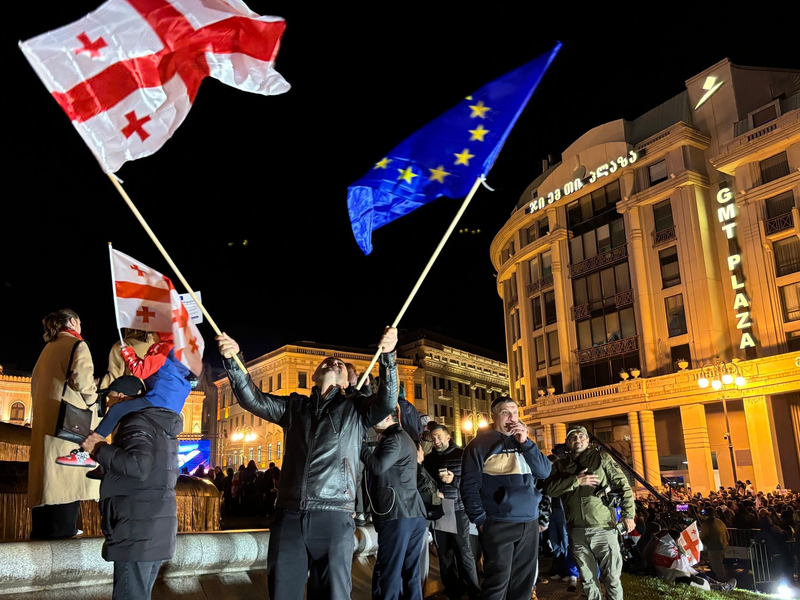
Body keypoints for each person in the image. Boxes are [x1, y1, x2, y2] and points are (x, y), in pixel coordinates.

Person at [216, 327, 398, 600]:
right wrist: (234, 360)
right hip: (289, 515)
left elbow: (386, 401)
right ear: (313, 376)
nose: (333, 362)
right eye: (326, 362)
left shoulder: (355, 409)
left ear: (347, 383)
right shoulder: (294, 407)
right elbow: (251, 398)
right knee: (282, 592)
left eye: (338, 364)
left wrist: (388, 357)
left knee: (334, 594)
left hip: (334, 514)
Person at [83, 388, 183, 600]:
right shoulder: (158, 425)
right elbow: (152, 472)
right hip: (154, 528)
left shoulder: (135, 422)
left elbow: (138, 467)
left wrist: (99, 449)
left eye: (109, 398)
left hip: (137, 529)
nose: (107, 405)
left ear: (121, 396)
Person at [461, 398, 551, 600]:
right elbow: (469, 486)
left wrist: (526, 443)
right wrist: (481, 521)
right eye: (505, 412)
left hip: (529, 521)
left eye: (515, 412)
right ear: (493, 416)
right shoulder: (478, 446)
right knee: (497, 582)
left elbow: (544, 472)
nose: (512, 418)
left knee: (523, 584)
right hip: (498, 522)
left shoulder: (524, 442)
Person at [58, 332, 192, 468]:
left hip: (159, 398)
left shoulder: (163, 348)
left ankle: (86, 453)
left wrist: (127, 353)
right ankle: (102, 460)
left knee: (117, 410)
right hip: (171, 403)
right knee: (129, 416)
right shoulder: (177, 352)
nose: (153, 336)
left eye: (156, 332)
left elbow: (141, 371)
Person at [29, 309, 101, 539]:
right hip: (68, 429)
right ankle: (64, 537)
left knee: (47, 486)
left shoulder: (47, 350)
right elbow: (84, 383)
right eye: (79, 322)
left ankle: (43, 535)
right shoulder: (77, 345)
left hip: (46, 428)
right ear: (72, 322)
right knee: (68, 485)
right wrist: (95, 400)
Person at [545, 426, 635, 600]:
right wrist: (576, 480)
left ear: (587, 441)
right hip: (577, 531)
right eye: (573, 437)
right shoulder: (561, 465)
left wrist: (628, 515)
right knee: (587, 581)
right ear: (567, 442)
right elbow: (550, 489)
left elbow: (623, 485)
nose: (577, 440)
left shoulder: (601, 458)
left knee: (612, 579)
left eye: (581, 436)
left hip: (604, 529)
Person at [361, 408, 427, 600]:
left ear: (388, 417)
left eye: (376, 418)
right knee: (410, 573)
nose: (373, 423)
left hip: (398, 514)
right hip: (412, 513)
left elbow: (377, 466)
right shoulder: (403, 437)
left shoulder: (395, 438)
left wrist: (361, 446)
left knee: (388, 571)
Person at [423, 424, 480, 600]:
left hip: (458, 509)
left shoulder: (462, 455)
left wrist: (454, 479)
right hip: (439, 510)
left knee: (464, 553)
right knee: (444, 555)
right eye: (433, 438)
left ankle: (473, 592)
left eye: (439, 437)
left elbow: (473, 483)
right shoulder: (430, 459)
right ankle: (453, 592)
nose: (436, 441)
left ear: (448, 437)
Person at [699, 506, 728, 580]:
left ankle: (721, 581)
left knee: (717, 566)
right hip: (722, 546)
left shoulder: (707, 524)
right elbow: (727, 533)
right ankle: (721, 579)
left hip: (713, 547)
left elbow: (702, 536)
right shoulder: (719, 522)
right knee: (719, 564)